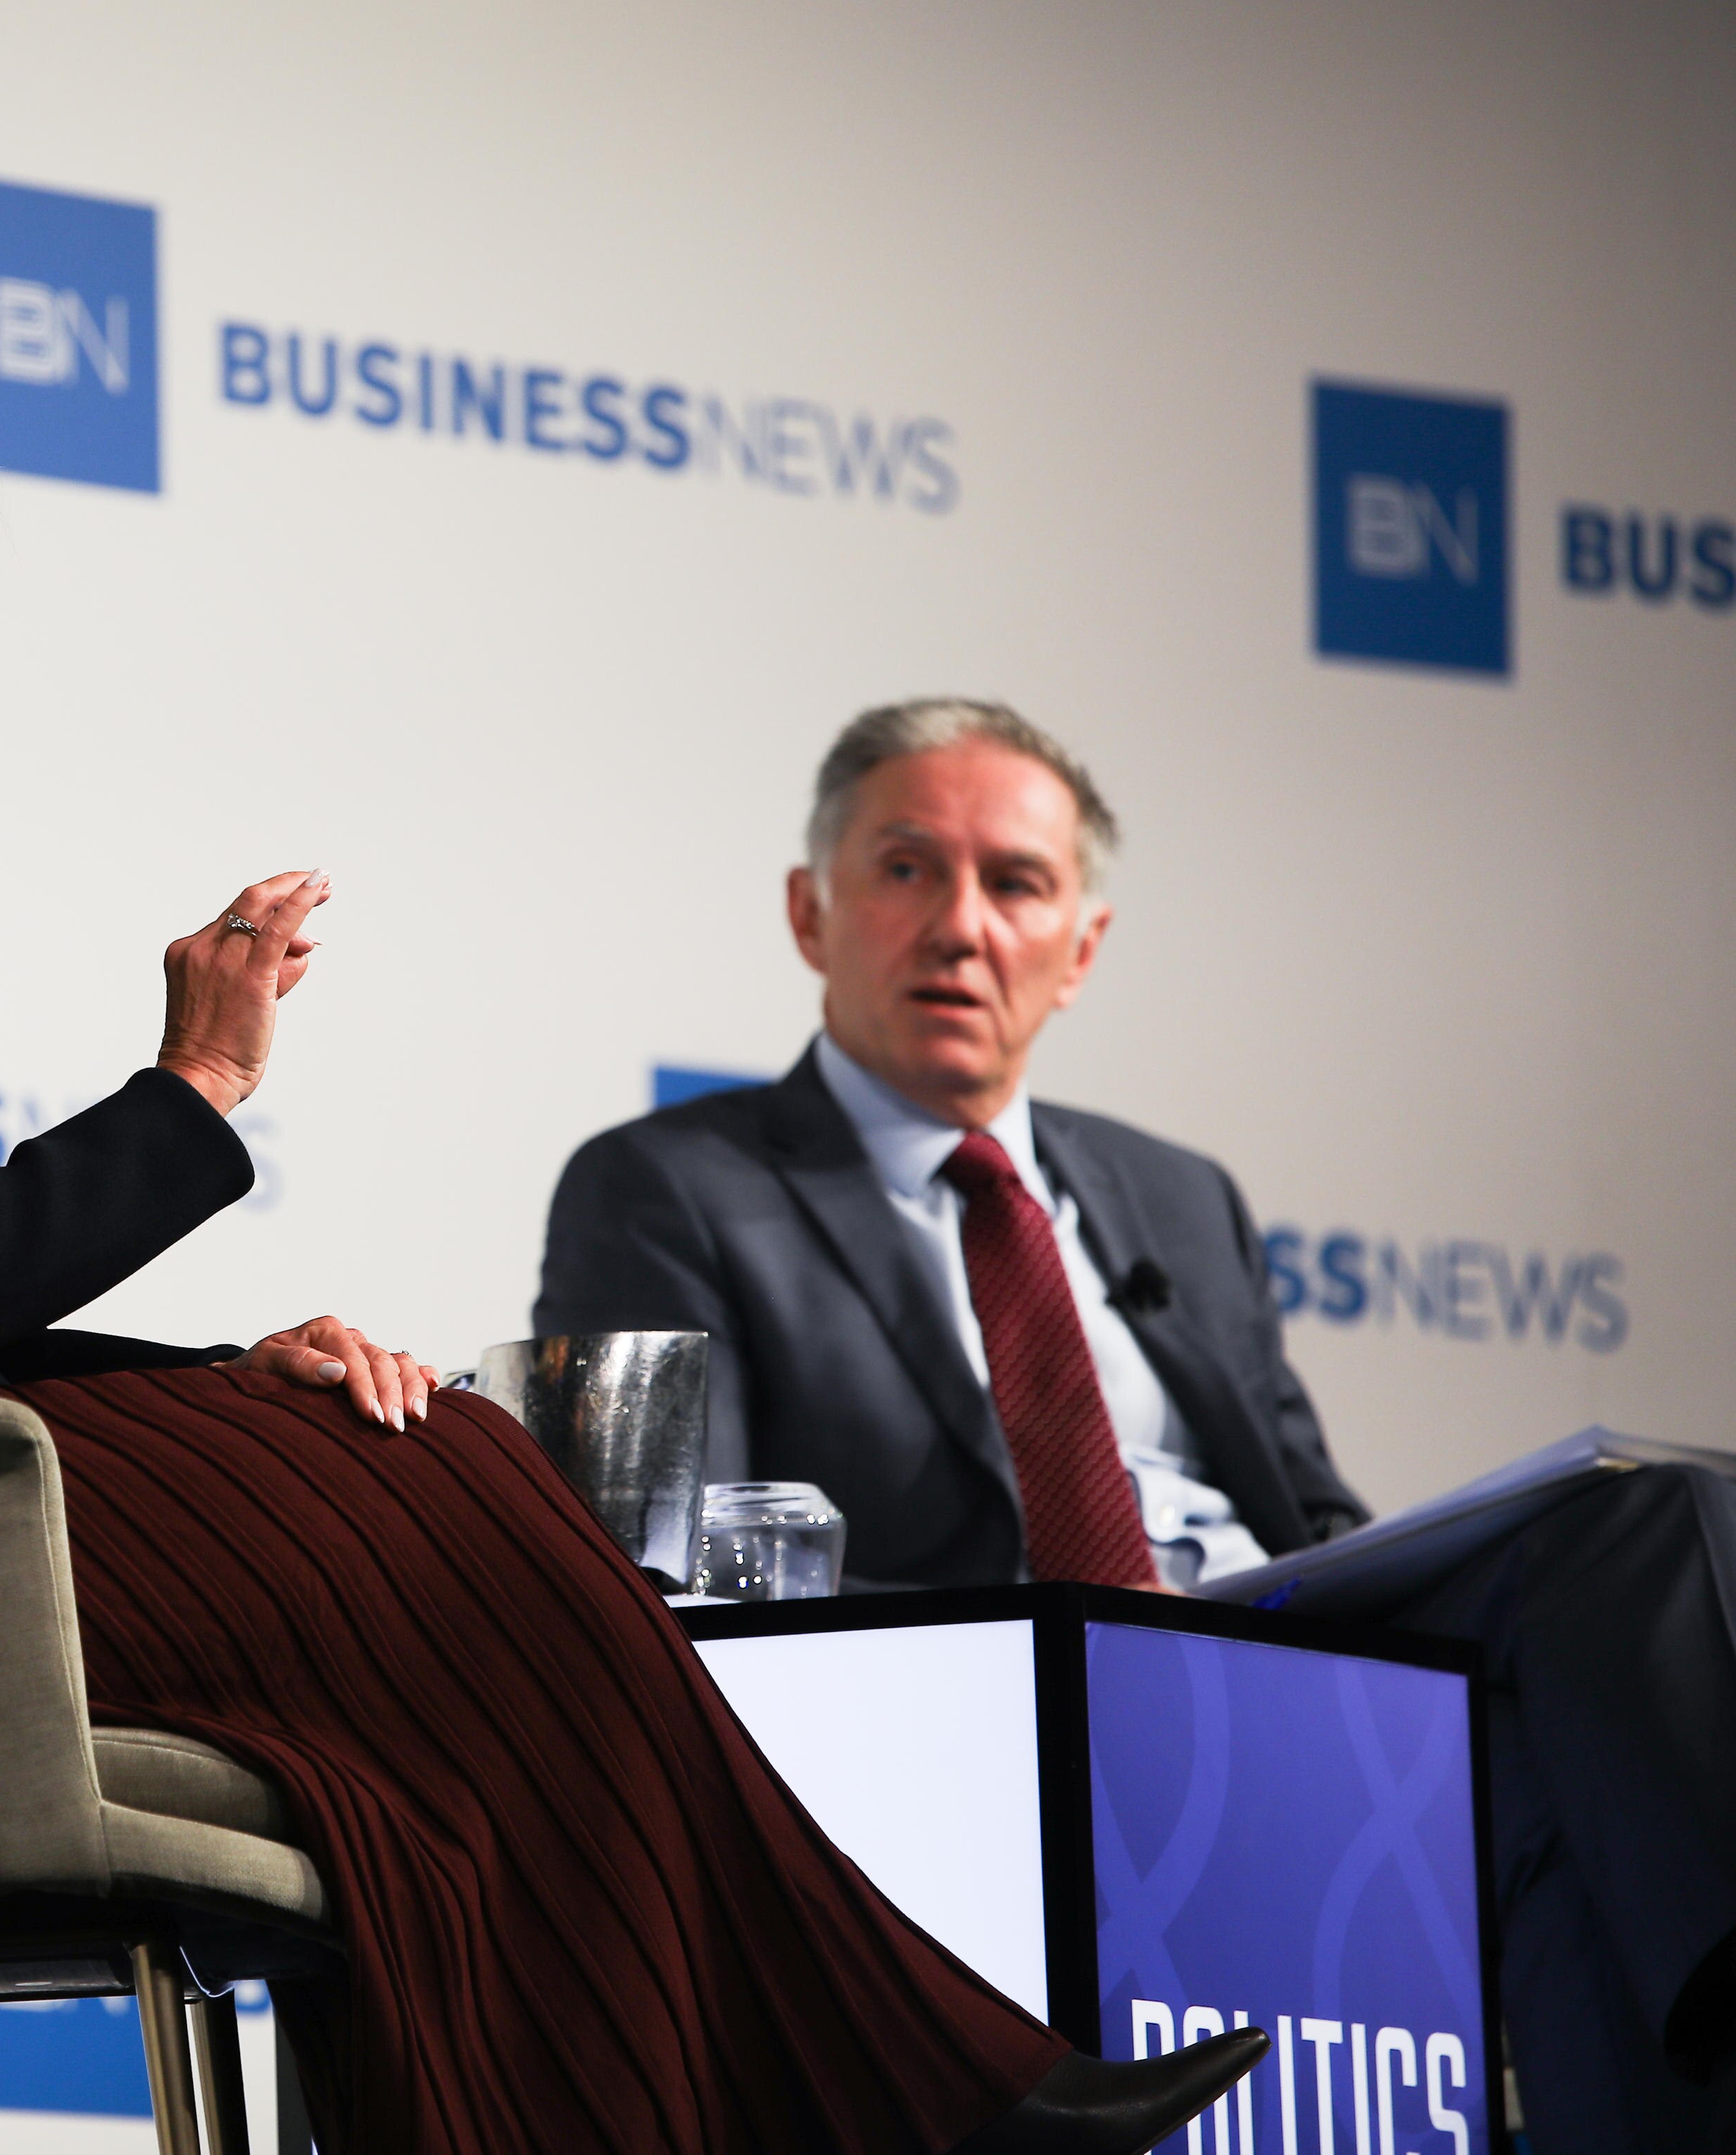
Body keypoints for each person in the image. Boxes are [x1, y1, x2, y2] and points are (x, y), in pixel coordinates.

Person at [0, 385, 1260, 2155]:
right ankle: (932, 2088)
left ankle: (902, 2087)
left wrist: (221, 1374)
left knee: (434, 1615)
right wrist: (201, 1083)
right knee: (458, 1473)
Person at [536, 697, 1736, 2155]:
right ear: (811, 910)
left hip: (1267, 1631)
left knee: (1648, 1526)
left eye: (1015, 882)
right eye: (906, 868)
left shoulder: (1177, 1193)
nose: (960, 924)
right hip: (1002, 1679)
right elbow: (676, 1586)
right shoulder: (672, 1180)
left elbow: (1310, 1512)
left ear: (1081, 946)